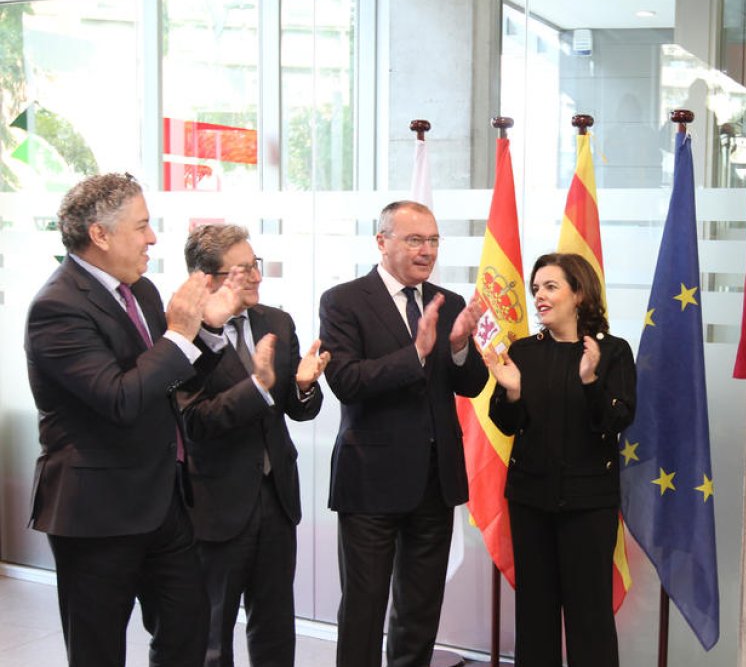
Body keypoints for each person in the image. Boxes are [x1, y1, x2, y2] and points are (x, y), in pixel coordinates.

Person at [25, 172, 244, 666]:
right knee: (98, 650)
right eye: (142, 226)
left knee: (188, 630)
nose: (152, 238)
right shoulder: (56, 307)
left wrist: (205, 332)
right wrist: (180, 336)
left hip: (162, 501)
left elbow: (170, 384)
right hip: (97, 512)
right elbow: (120, 398)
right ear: (100, 235)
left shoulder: (140, 290)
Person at [318, 200, 488, 667]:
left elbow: (471, 384)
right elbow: (346, 381)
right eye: (415, 239)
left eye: (433, 240)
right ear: (382, 241)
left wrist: (456, 350)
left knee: (419, 609)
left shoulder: (448, 302)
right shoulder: (343, 300)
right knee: (364, 608)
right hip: (370, 481)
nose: (427, 251)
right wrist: (414, 354)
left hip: (434, 482)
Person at [178, 225, 330, 667]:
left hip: (276, 498)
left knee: (276, 626)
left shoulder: (276, 322)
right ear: (208, 278)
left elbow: (296, 410)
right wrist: (258, 388)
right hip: (216, 502)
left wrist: (302, 386)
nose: (255, 278)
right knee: (212, 634)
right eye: (242, 270)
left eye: (255, 266)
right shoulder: (183, 333)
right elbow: (194, 420)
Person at [484, 252, 637, 667]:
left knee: (590, 616)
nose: (539, 297)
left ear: (580, 294)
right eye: (536, 289)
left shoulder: (613, 352)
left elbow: (617, 419)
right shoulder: (524, 352)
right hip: (531, 501)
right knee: (535, 614)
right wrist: (512, 392)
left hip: (589, 505)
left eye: (551, 287)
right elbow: (505, 423)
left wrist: (589, 381)